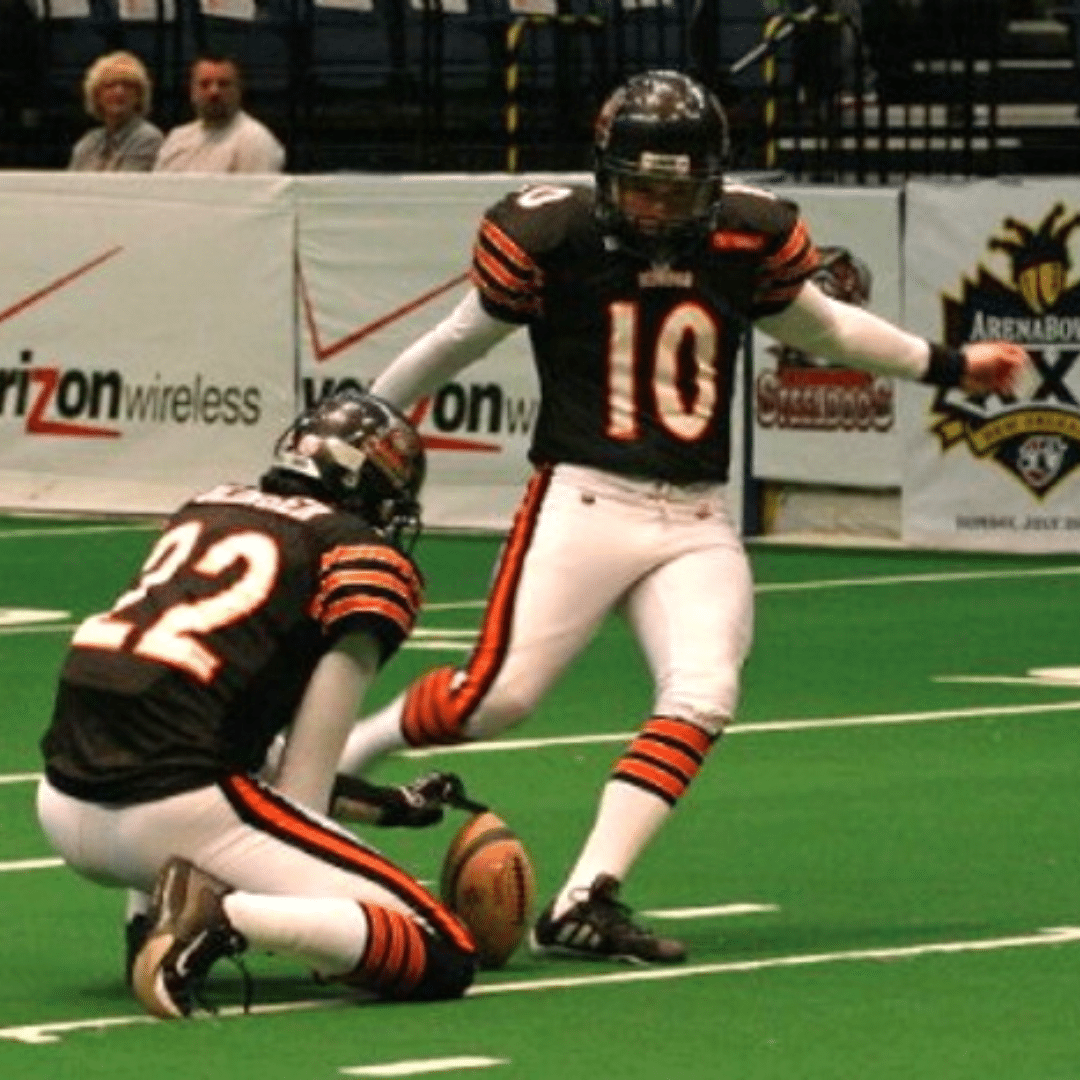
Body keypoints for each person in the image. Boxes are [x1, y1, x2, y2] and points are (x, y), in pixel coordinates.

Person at [334, 70, 1031, 964]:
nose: (661, 205)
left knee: (704, 693)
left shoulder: (749, 231)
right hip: (585, 495)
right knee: (495, 699)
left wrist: (946, 364)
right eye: (643, 182)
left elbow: (826, 329)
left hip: (697, 515)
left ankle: (587, 897)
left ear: (713, 180)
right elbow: (453, 342)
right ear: (605, 170)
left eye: (680, 186)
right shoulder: (554, 232)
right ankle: (333, 760)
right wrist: (353, 438)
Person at [37, 390, 477, 1020]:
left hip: (62, 803)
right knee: (443, 950)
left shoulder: (207, 506)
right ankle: (220, 918)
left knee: (181, 728)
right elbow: (301, 784)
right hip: (176, 814)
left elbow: (222, 733)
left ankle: (150, 929)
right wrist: (313, 919)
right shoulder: (357, 554)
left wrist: (389, 807)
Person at [153, 53, 285, 174]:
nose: (214, 92)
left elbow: (256, 197)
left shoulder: (255, 140)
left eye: (224, 84)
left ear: (239, 91)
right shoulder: (177, 138)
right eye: (204, 84)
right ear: (192, 91)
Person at [68, 51, 164, 172]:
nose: (119, 91)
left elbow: (123, 188)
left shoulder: (148, 137)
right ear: (96, 95)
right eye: (110, 85)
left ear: (139, 95)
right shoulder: (89, 142)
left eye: (127, 85)